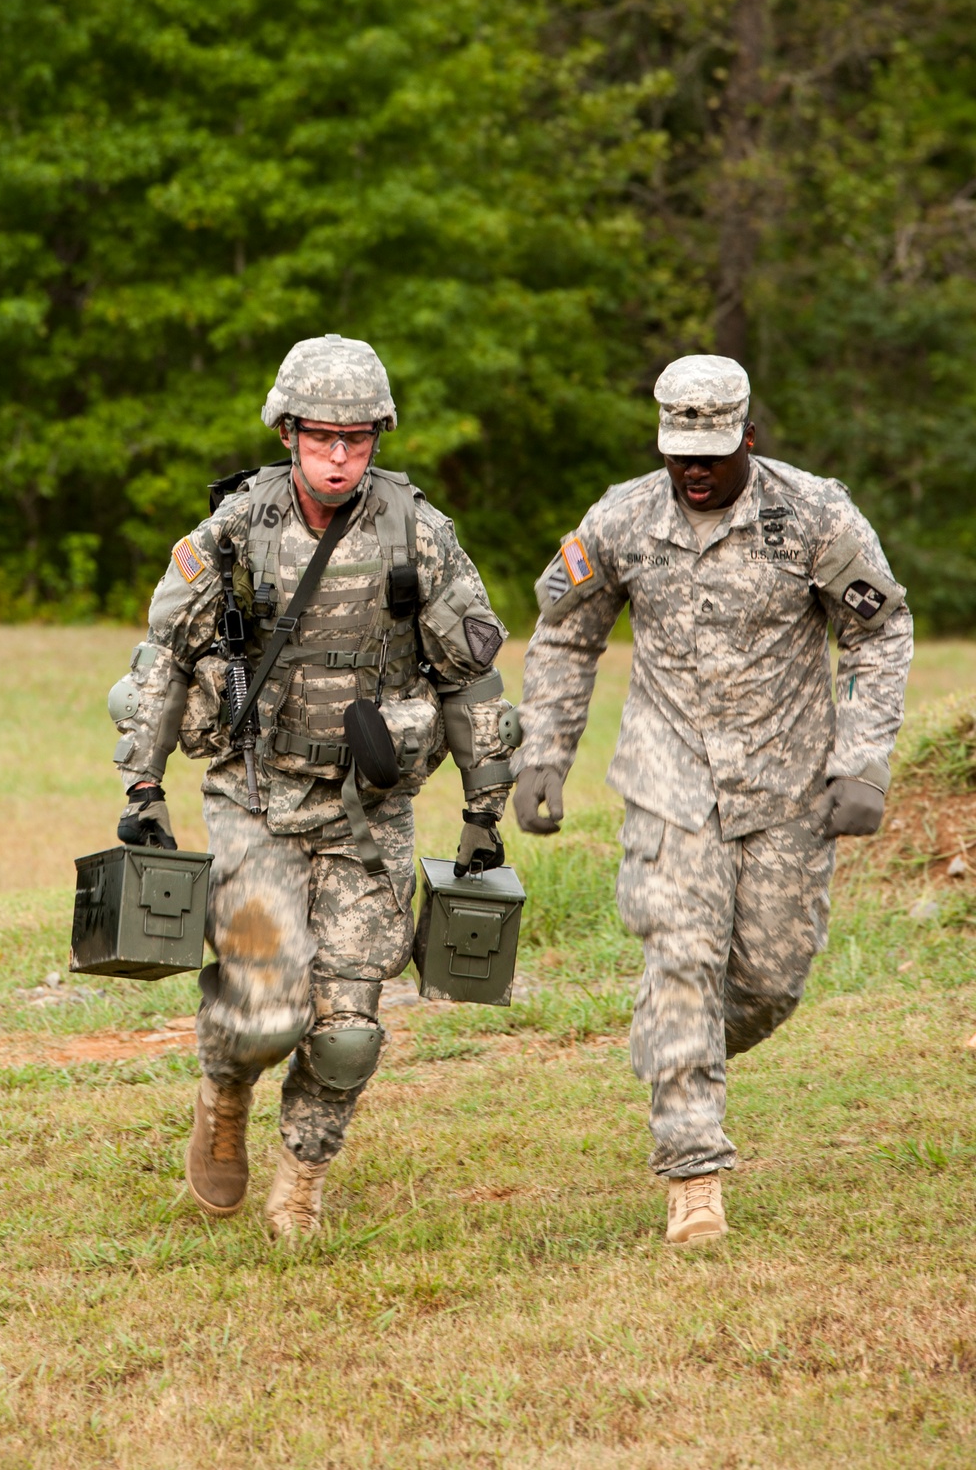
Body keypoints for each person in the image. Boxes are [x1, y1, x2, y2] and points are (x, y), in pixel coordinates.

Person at [108, 334, 513, 1240]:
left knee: (347, 1029)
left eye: (358, 439)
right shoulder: (235, 531)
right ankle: (224, 1092)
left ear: (378, 437)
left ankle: (302, 1183)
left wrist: (486, 805)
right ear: (288, 431)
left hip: (369, 815)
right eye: (323, 437)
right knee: (261, 1010)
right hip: (253, 800)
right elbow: (163, 660)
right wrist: (143, 785)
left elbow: (471, 677)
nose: (339, 457)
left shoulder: (419, 535)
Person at [511, 353, 912, 1246]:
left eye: (714, 453)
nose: (695, 469)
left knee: (770, 982)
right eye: (679, 452)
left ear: (749, 438)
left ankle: (673, 1042)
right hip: (669, 783)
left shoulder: (812, 514)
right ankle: (694, 1170)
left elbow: (879, 631)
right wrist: (544, 751)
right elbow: (565, 632)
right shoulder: (620, 518)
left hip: (787, 786)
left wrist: (864, 760)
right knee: (683, 958)